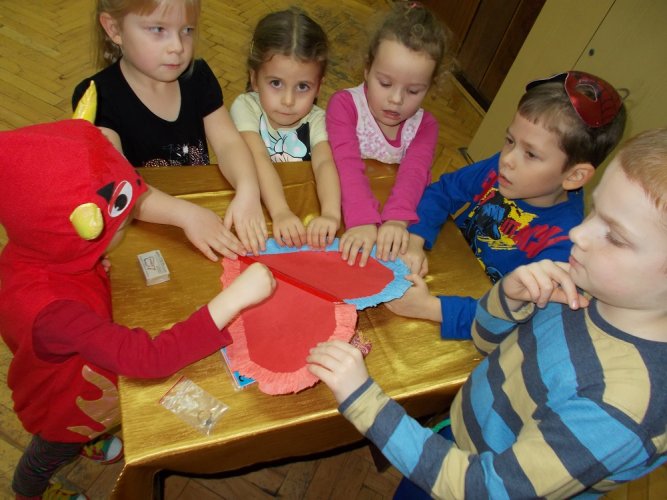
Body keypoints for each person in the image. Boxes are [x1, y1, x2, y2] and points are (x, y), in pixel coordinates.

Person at [308, 127, 667, 498]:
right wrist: (507, 299)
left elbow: (486, 488)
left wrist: (364, 401)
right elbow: (487, 340)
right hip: (459, 438)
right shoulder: (589, 289)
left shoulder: (622, 408)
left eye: (616, 236)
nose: (579, 233)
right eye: (594, 212)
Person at [0, 120, 276, 500]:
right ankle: (28, 493)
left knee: (84, 431)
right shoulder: (55, 312)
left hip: (82, 377)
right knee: (48, 455)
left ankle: (89, 440)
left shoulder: (39, 248)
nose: (131, 220)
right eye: (119, 222)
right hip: (64, 408)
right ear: (72, 232)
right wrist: (233, 300)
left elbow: (58, 294)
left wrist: (89, 266)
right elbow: (148, 359)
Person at [387, 71, 626, 339]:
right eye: (510, 141)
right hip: (445, 267)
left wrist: (431, 308)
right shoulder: (502, 169)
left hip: (468, 324)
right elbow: (444, 191)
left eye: (531, 154)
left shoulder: (565, 245)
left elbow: (517, 321)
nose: (507, 159)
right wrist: (416, 240)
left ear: (574, 176)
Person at [72, 0, 267, 256]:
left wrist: (248, 189)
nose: (177, 46)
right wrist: (186, 215)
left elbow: (229, 143)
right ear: (114, 29)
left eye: (187, 30)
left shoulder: (197, 77)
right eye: (158, 29)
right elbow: (119, 187)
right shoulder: (98, 97)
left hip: (199, 211)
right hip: (140, 230)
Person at [326, 1, 446, 266]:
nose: (396, 99)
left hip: (386, 215)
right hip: (341, 210)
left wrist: (397, 220)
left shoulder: (425, 125)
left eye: (413, 91)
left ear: (429, 87)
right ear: (367, 69)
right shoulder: (345, 106)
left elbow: (414, 174)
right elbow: (345, 163)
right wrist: (363, 219)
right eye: (385, 83)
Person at [230, 8, 341, 249]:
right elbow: (258, 158)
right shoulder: (246, 107)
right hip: (257, 212)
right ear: (254, 78)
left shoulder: (318, 119)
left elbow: (324, 164)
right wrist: (280, 212)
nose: (288, 101)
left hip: (300, 215)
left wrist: (331, 214)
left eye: (302, 87)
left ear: (319, 87)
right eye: (276, 83)